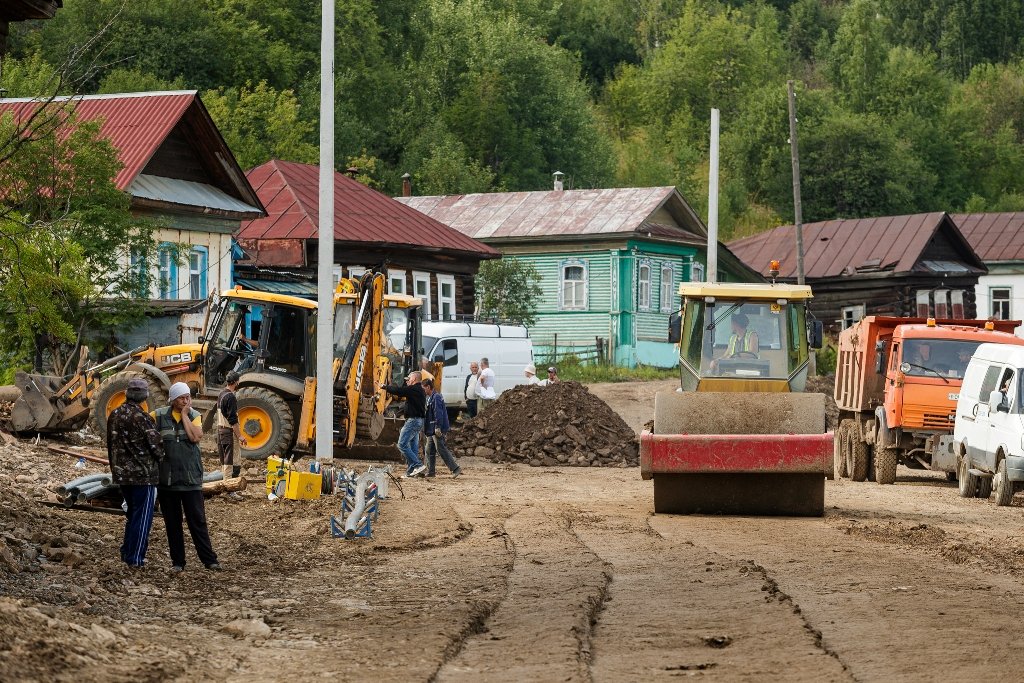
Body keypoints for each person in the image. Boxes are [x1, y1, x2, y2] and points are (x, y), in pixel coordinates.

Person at [153, 382, 221, 572]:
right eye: (182, 398)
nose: (186, 401)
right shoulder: (158, 416)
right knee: (172, 524)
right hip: (167, 480)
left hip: (191, 479)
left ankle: (209, 560)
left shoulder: (194, 415)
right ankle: (178, 562)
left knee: (197, 521)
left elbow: (195, 437)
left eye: (188, 397)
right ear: (173, 400)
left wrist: (184, 416)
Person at [107, 378, 164, 569]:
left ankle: (127, 552)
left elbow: (110, 444)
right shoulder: (143, 418)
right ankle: (135, 559)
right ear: (145, 396)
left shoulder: (114, 415)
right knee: (142, 519)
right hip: (143, 477)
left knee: (132, 515)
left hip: (122, 475)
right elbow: (157, 447)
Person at [379, 371, 428, 478]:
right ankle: (411, 471)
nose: (407, 380)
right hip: (418, 421)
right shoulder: (419, 390)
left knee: (402, 444)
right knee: (413, 447)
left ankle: (418, 465)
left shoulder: (414, 389)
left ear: (414, 379)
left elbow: (399, 391)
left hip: (413, 421)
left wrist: (384, 386)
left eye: (409, 378)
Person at [422, 378, 461, 478]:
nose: (423, 391)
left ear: (428, 387)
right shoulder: (431, 397)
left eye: (424, 389)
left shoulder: (436, 397)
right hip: (432, 429)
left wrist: (438, 427)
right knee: (429, 449)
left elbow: (438, 413)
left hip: (437, 428)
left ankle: (455, 468)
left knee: (441, 449)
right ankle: (431, 471)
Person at [217, 371, 246, 501]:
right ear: (236, 382)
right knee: (233, 462)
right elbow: (233, 420)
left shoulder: (221, 394)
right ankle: (230, 490)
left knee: (225, 461)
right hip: (228, 432)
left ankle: (226, 487)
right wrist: (240, 436)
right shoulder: (231, 397)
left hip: (220, 431)